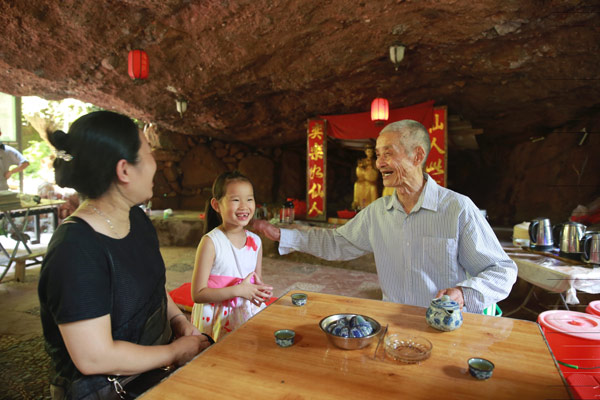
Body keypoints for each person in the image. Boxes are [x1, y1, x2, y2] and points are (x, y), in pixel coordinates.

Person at [253, 120, 517, 313]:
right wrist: (282, 235)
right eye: (378, 155)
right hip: (393, 324)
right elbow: (336, 243)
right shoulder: (378, 212)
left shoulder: (457, 208)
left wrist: (463, 292)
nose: (378, 163)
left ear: (418, 155)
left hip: (446, 327)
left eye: (388, 154)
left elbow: (501, 271)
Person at [38, 111, 211, 399]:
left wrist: (178, 321)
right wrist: (172, 352)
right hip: (112, 388)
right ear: (124, 170)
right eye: (148, 153)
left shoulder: (137, 220)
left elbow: (153, 288)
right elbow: (94, 357)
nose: (155, 163)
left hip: (157, 370)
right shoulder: (74, 252)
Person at [191, 171, 273, 342]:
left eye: (249, 199)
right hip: (217, 317)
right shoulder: (211, 242)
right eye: (236, 200)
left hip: (245, 313)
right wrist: (237, 290)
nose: (244, 206)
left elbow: (256, 280)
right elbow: (198, 294)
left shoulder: (256, 242)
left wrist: (260, 291)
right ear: (216, 205)